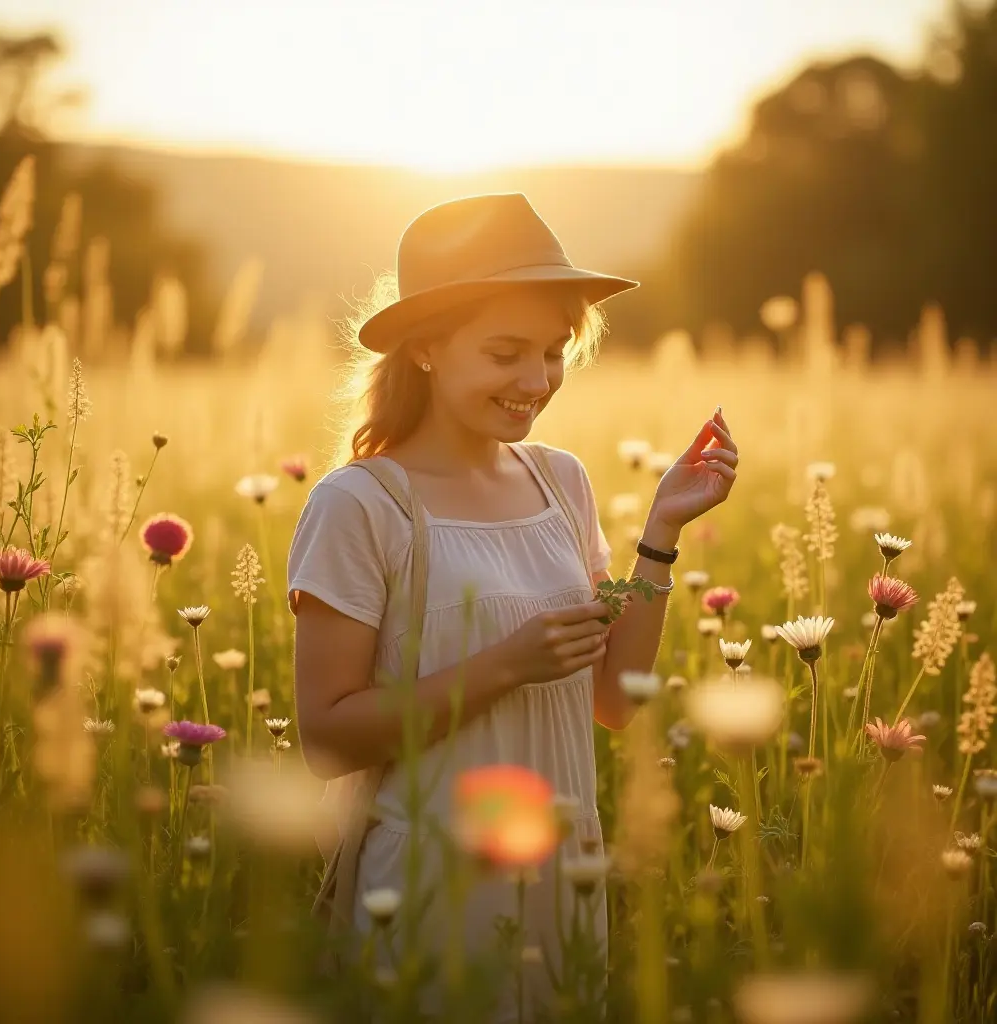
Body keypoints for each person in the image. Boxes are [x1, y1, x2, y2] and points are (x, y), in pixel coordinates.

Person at [286, 192, 739, 1020]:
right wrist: (502, 668)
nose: (535, 382)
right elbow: (325, 737)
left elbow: (612, 701)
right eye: (505, 352)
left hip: (563, 878)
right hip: (429, 896)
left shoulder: (557, 480)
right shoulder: (360, 505)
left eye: (554, 351)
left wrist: (661, 533)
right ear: (424, 346)